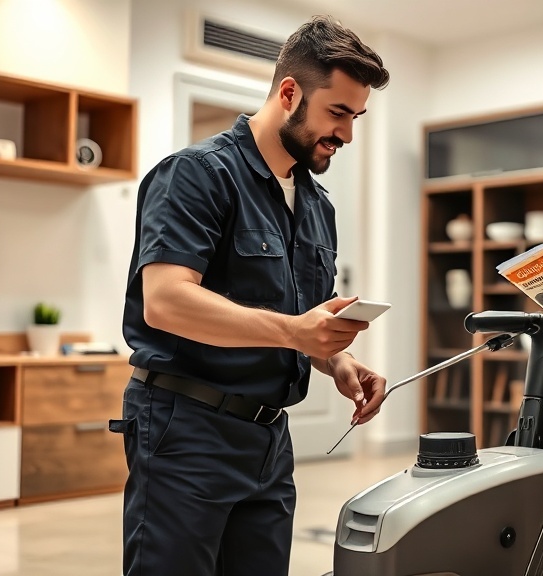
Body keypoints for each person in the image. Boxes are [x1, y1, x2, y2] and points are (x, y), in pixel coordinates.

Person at [113, 15, 390, 576]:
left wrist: (336, 359)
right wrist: (295, 332)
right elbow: (165, 301)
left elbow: (299, 316)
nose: (347, 135)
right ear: (290, 93)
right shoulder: (195, 175)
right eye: (337, 113)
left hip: (268, 442)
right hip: (185, 431)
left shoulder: (318, 206)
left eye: (356, 117)